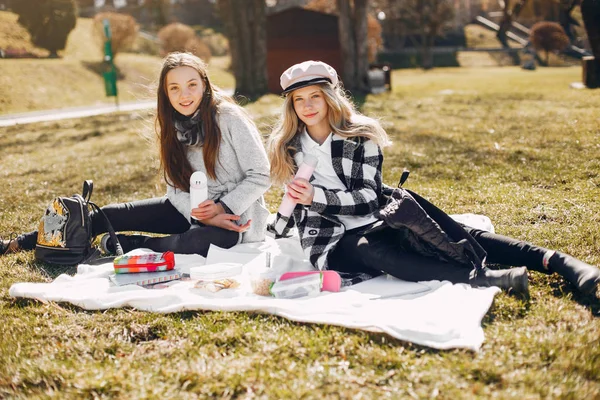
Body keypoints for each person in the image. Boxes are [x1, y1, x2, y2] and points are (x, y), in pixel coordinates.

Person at [266, 60, 600, 298]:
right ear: (291, 106)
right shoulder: (289, 147)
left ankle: (562, 263)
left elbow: (368, 199)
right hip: (335, 239)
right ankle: (479, 278)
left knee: (456, 234)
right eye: (299, 99)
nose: (307, 106)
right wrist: (283, 219)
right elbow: (286, 215)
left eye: (315, 96)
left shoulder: (360, 138)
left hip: (377, 215)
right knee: (374, 252)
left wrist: (316, 196)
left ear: (330, 98)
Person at [1, 52, 271, 258]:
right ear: (165, 93)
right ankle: (19, 243)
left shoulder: (228, 117)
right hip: (189, 211)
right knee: (107, 214)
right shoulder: (171, 127)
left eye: (191, 85)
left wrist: (222, 208)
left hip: (235, 219)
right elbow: (175, 190)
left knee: (200, 243)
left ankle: (136, 244)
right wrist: (199, 215)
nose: (184, 95)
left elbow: (261, 174)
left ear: (204, 85)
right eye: (174, 88)